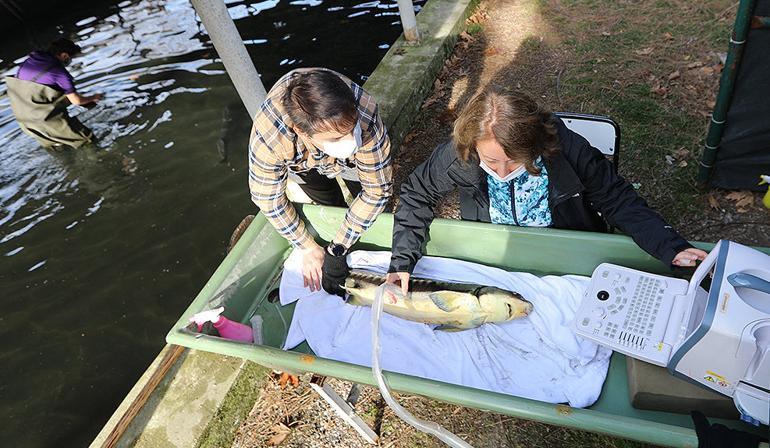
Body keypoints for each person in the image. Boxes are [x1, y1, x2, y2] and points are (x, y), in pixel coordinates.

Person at [386, 86, 707, 293]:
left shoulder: (569, 150)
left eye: (512, 162)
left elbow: (618, 200)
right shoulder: (461, 152)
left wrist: (670, 246)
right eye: (490, 161)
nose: (500, 172)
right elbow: (417, 192)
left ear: (534, 147)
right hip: (497, 257)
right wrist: (402, 262)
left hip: (565, 254)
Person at [249, 68, 392, 296]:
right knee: (325, 198)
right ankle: (336, 217)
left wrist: (338, 248)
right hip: (300, 160)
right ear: (300, 131)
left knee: (366, 193)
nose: (348, 142)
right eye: (336, 138)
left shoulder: (364, 111)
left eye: (349, 130)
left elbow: (377, 190)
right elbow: (267, 199)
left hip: (353, 153)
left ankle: (354, 236)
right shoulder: (271, 136)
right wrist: (307, 246)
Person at [4, 38, 102, 148]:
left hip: (25, 122)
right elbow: (76, 101)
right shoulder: (59, 72)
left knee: (57, 147)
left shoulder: (29, 61)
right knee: (87, 140)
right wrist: (93, 97)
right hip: (45, 120)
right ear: (65, 55)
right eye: (71, 58)